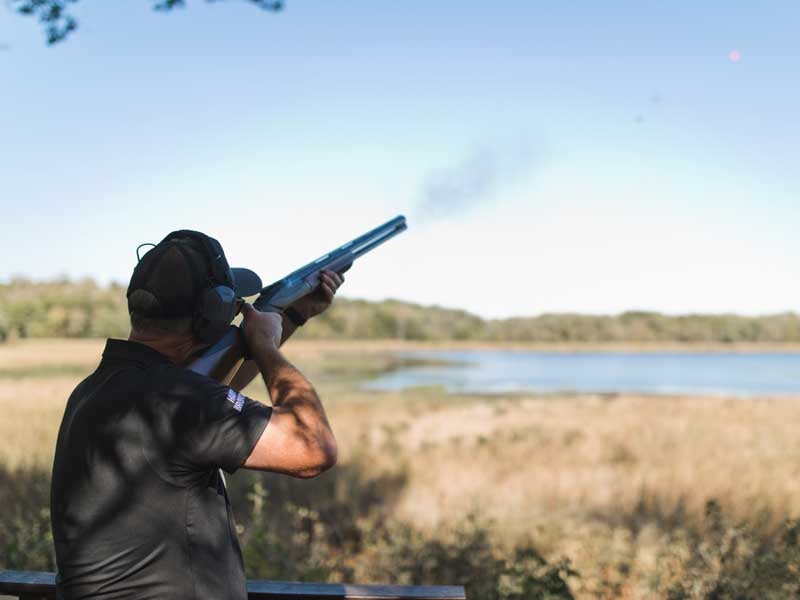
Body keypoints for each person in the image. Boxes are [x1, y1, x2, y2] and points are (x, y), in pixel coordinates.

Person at [50, 230, 343, 599]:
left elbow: (216, 390)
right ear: (212, 314)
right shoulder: (179, 401)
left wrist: (294, 314)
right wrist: (266, 346)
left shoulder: (96, 390)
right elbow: (313, 448)